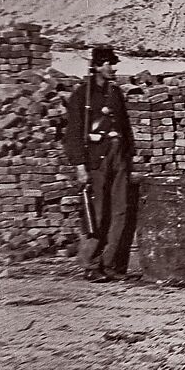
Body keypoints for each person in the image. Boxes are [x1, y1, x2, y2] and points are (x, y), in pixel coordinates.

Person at [64, 45, 135, 281]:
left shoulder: (115, 93)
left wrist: (128, 155)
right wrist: (79, 165)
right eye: (107, 64)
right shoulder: (82, 95)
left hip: (119, 158)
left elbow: (125, 126)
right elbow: (73, 132)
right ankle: (91, 265)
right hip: (96, 159)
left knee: (121, 211)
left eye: (114, 64)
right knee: (96, 212)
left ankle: (110, 264)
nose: (112, 68)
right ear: (96, 66)